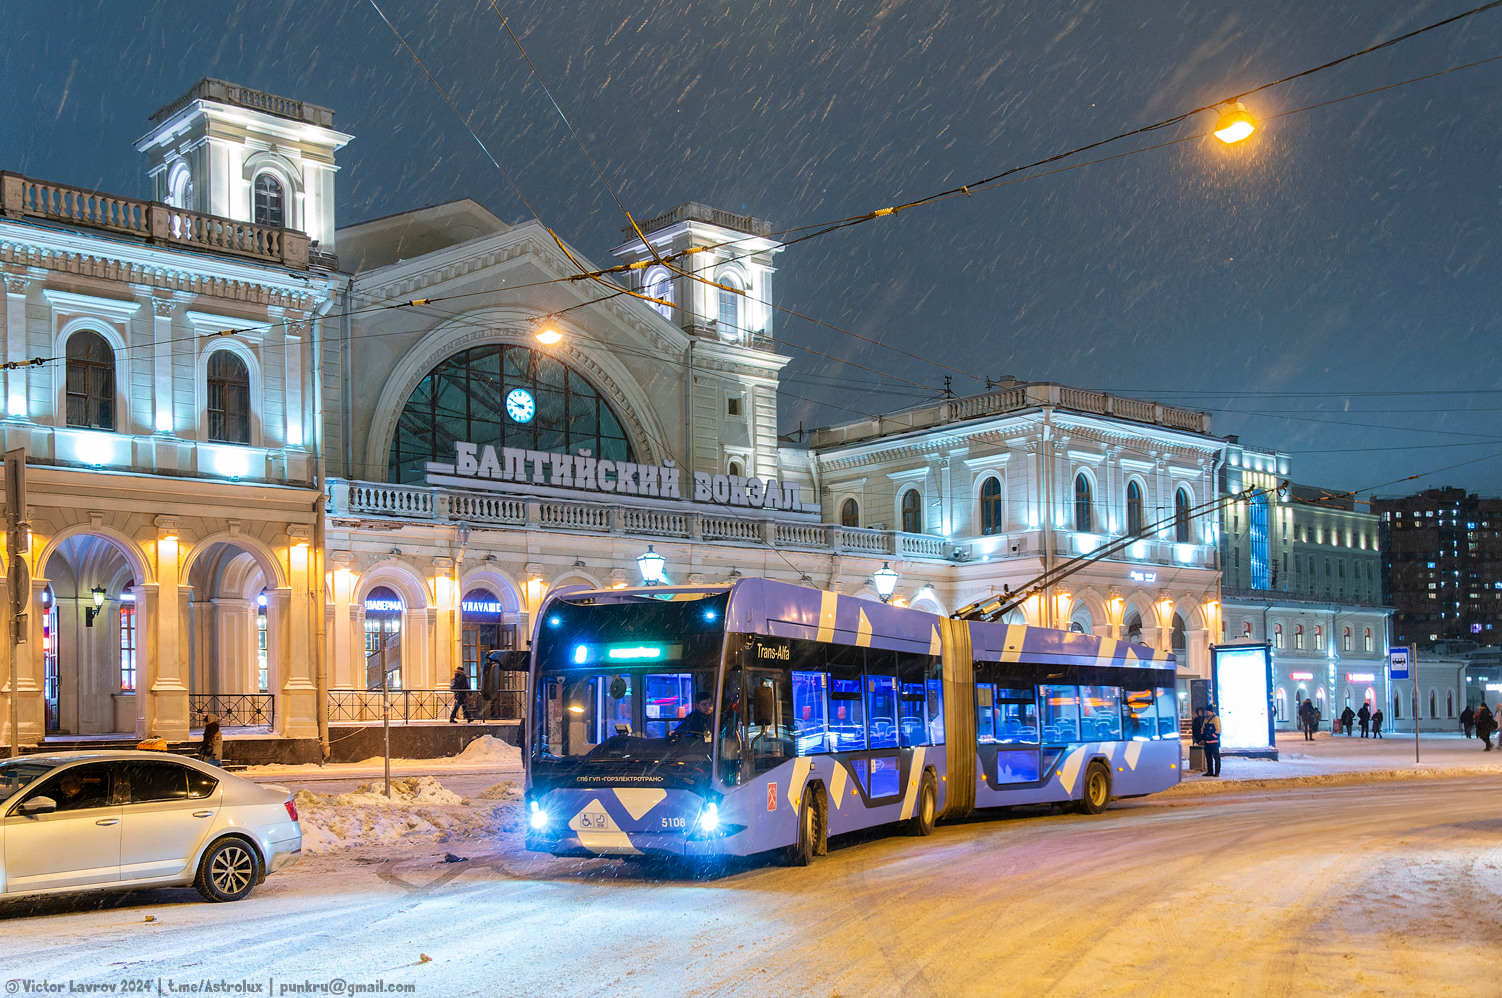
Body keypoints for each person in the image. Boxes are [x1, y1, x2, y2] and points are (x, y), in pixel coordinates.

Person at [1201, 707, 1222, 777]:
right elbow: (1203, 729)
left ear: (1211, 711)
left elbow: (1218, 730)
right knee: (1208, 758)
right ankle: (1210, 771)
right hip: (1207, 742)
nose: (1206, 712)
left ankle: (1217, 772)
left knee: (1216, 757)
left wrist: (1211, 735)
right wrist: (1203, 737)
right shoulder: (1206, 719)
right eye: (1205, 711)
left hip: (1214, 742)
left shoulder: (1216, 719)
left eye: (1207, 711)